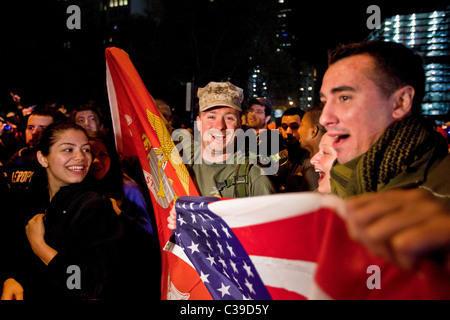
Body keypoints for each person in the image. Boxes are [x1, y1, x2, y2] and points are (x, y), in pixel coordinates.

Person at [319, 40, 450, 269]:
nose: (325, 117)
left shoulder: (443, 200)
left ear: (400, 102)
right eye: (324, 101)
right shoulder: (327, 192)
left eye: (344, 98)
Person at [1, 122, 154, 300]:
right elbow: (13, 249)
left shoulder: (95, 206)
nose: (80, 157)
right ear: (43, 158)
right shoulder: (32, 199)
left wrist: (40, 247)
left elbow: (85, 285)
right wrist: (11, 278)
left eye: (85, 149)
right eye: (68, 149)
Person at [180, 81, 276, 198]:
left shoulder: (254, 179)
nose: (220, 126)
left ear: (239, 126)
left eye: (229, 118)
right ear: (199, 123)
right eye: (211, 117)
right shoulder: (181, 166)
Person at [1, 107, 65, 193]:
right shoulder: (18, 157)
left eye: (43, 128)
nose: (34, 132)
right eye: (30, 127)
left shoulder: (61, 162)